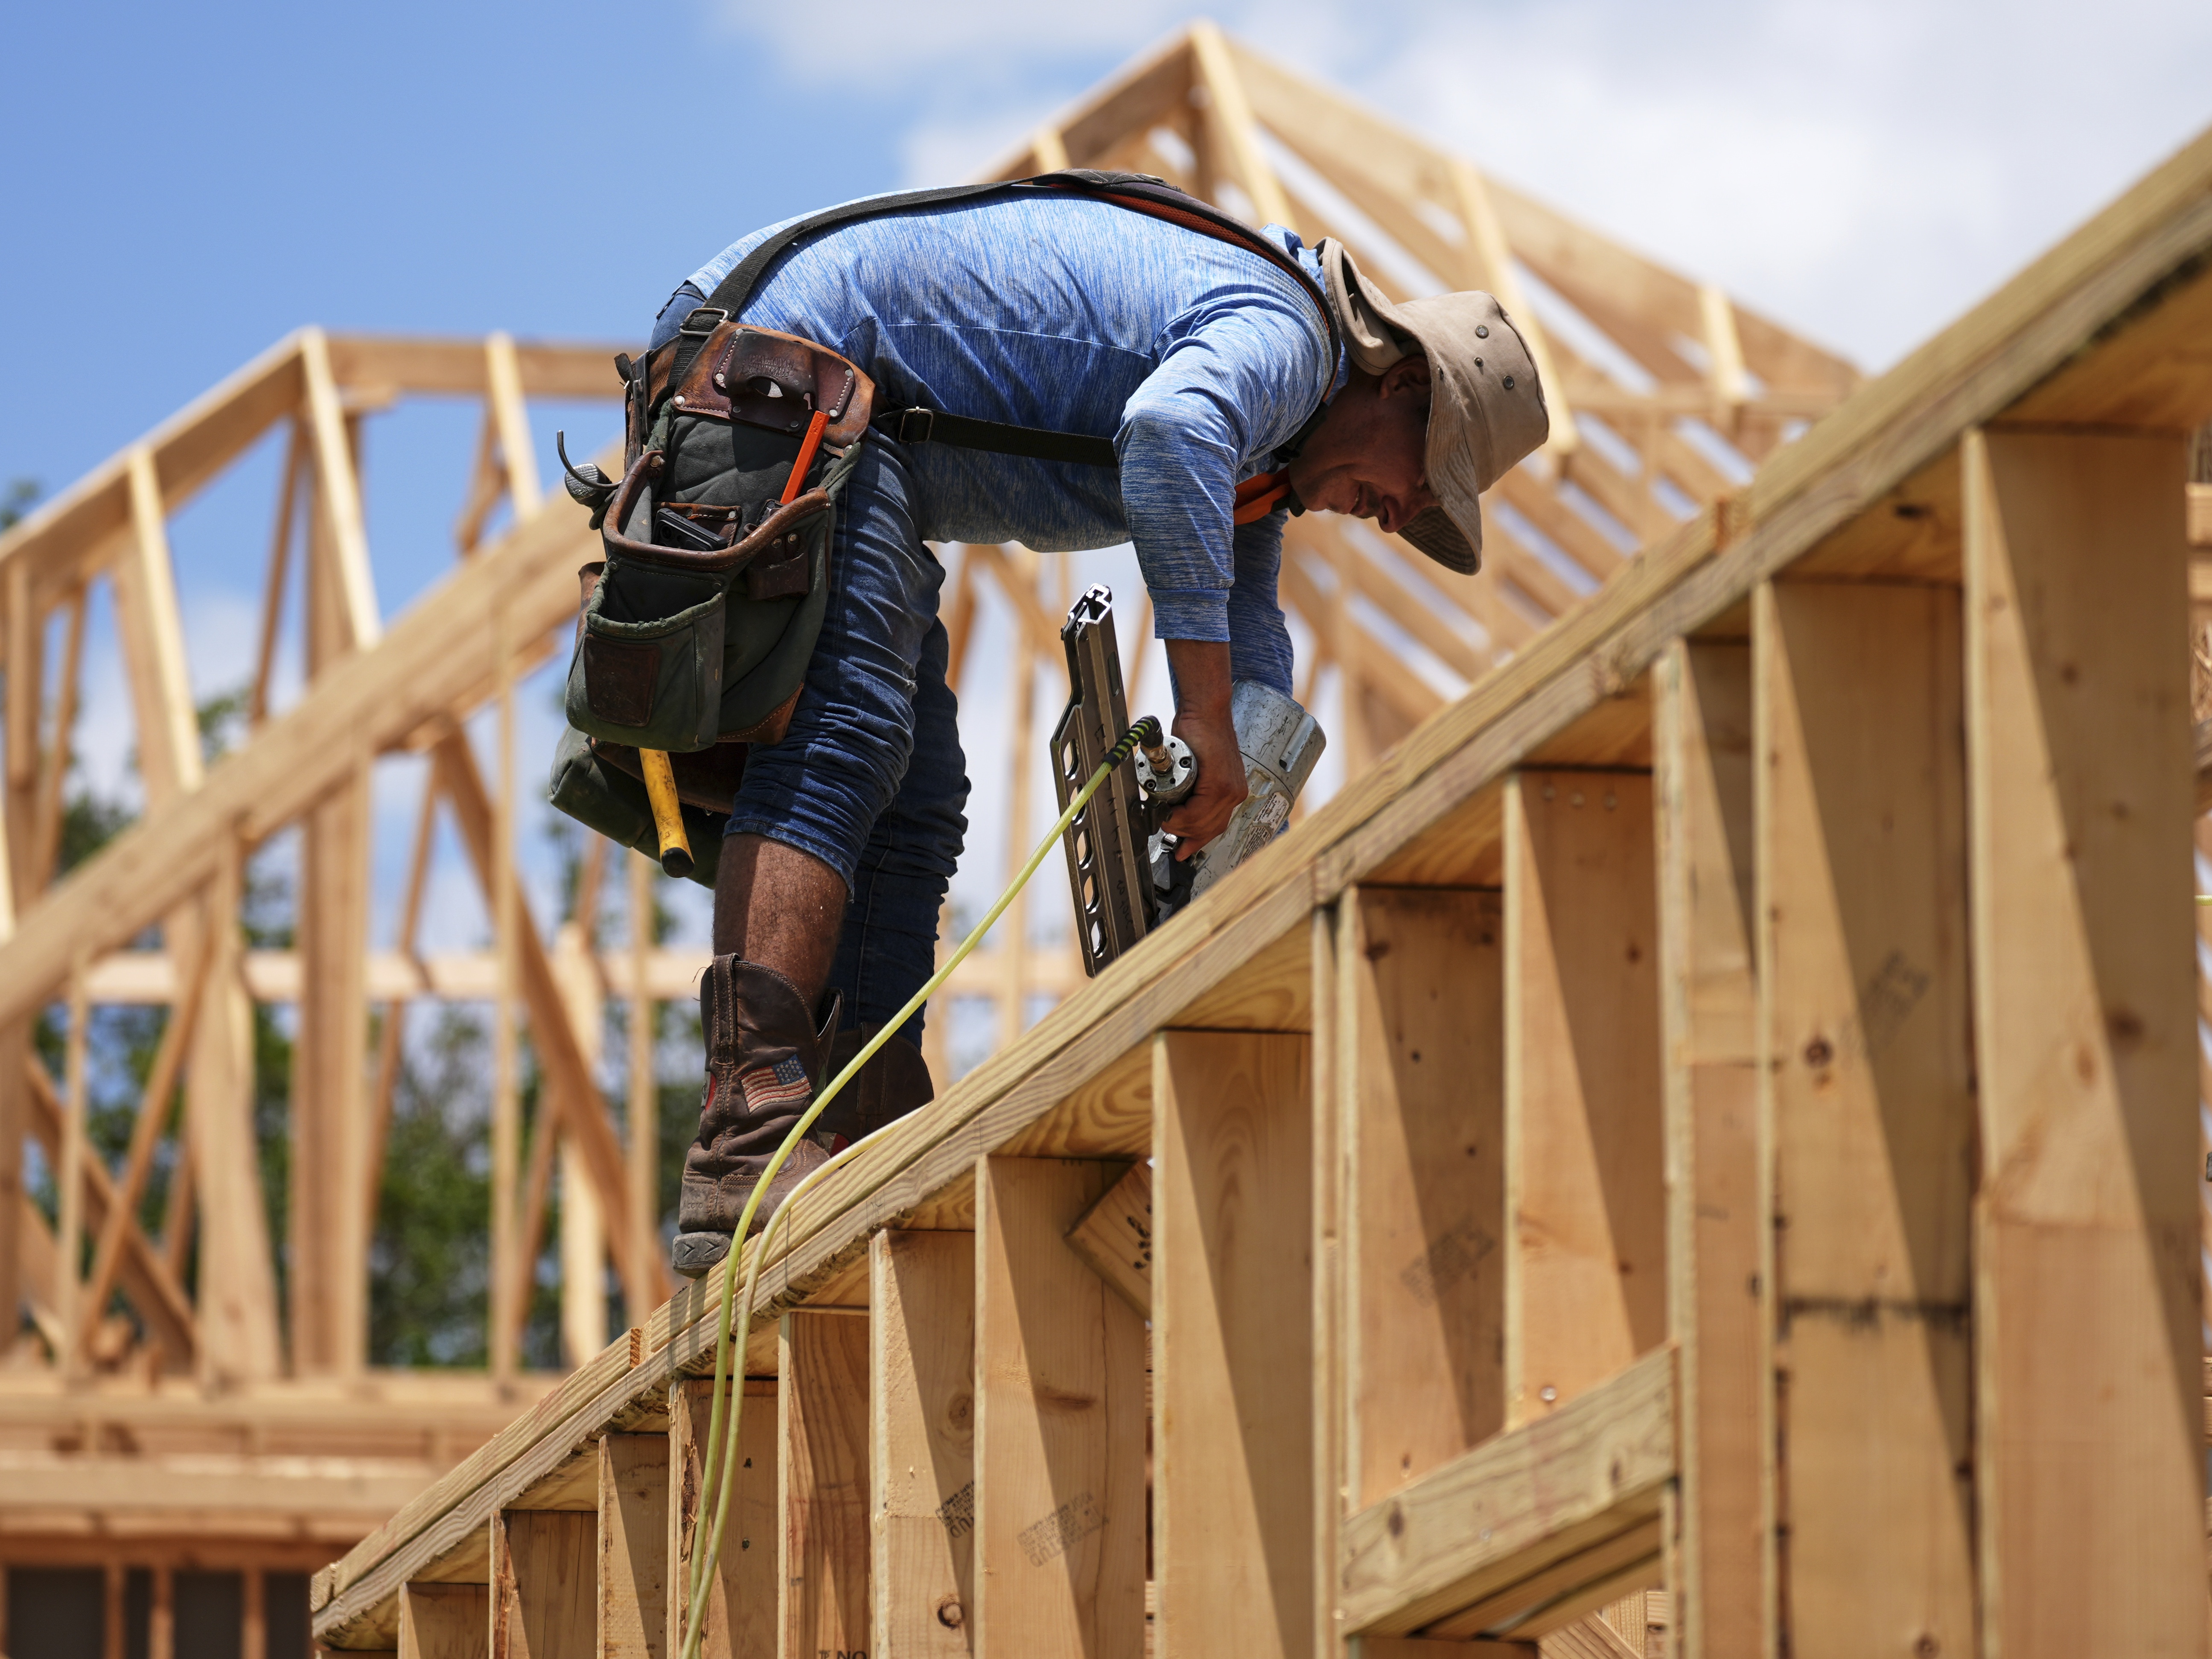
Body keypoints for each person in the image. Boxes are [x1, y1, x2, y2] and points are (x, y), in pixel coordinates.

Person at [658, 180, 1549, 1277]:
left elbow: (1244, 617)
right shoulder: (1285, 342)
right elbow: (1170, 431)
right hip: (788, 368)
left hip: (838, 405)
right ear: (1399, 380)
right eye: (1428, 480)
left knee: (919, 797)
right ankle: (749, 1129)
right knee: (844, 735)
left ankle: (856, 1121)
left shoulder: (1272, 458)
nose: (1402, 516)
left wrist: (1242, 810)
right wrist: (1204, 716)